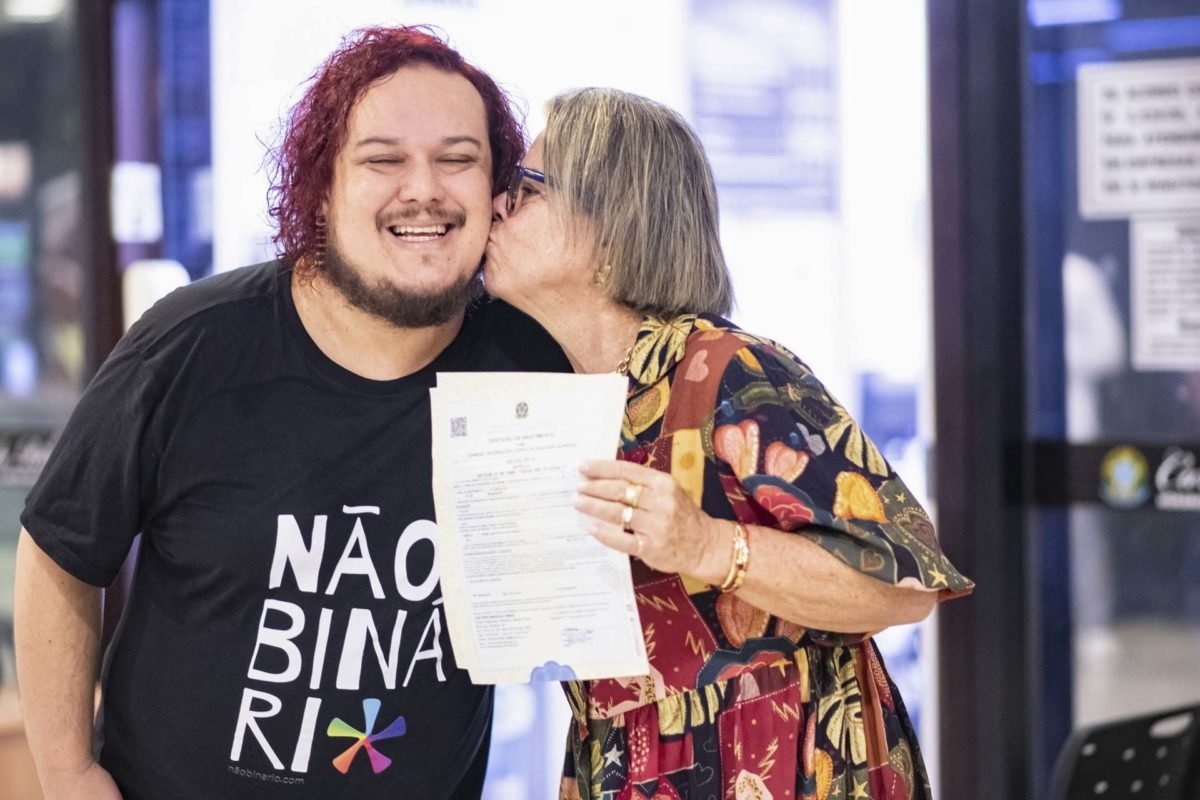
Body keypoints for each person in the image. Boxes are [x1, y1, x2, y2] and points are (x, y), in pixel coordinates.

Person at [13, 26, 567, 800]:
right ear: (325, 185)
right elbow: (61, 549)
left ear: (497, 190)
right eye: (383, 159)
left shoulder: (536, 366)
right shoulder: (196, 344)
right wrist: (68, 775)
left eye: (458, 159)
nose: (424, 189)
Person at [485, 87, 974, 800]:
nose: (498, 206)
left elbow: (901, 585)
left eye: (527, 187)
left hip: (790, 768)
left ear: (611, 226)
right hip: (629, 767)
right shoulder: (555, 403)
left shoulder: (729, 374)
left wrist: (710, 546)